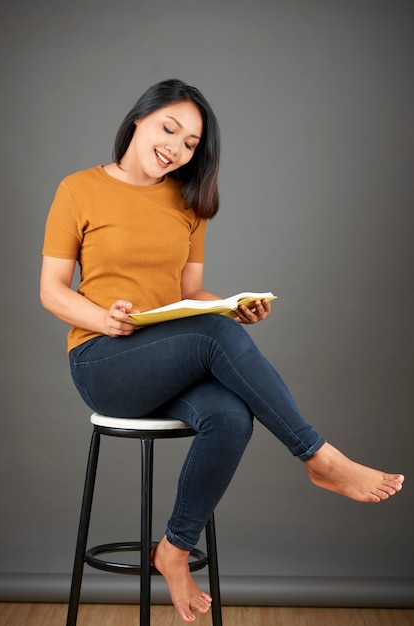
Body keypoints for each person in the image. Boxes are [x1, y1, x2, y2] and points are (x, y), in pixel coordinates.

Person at [40, 78, 404, 623]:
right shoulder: (78, 189)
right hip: (103, 361)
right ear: (139, 119)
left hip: (169, 362)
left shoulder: (189, 202)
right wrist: (103, 319)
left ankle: (174, 551)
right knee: (217, 337)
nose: (178, 147)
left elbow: (190, 295)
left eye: (190, 143)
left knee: (232, 416)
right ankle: (320, 457)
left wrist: (233, 306)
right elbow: (51, 290)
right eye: (170, 128)